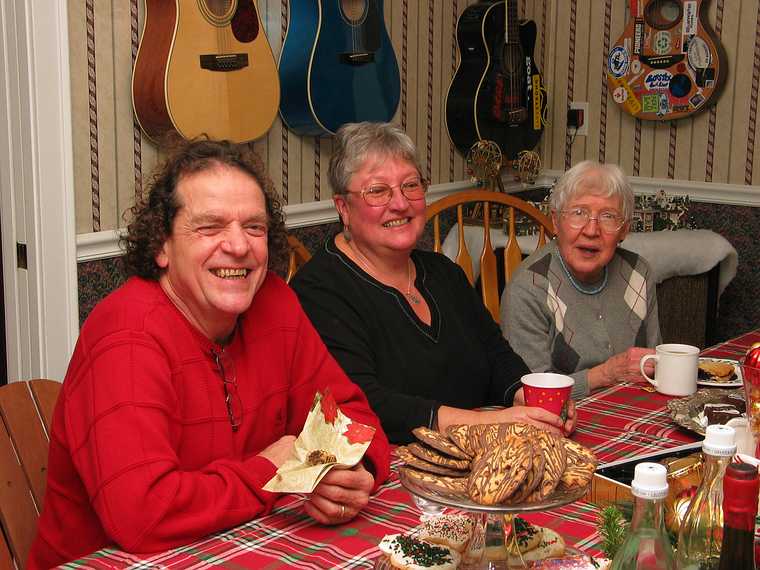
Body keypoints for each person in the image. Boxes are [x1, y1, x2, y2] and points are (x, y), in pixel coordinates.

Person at [29, 139, 390, 569]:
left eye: (254, 227)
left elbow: (354, 416)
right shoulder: (126, 335)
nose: (238, 246)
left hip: (237, 548)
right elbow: (143, 514)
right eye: (210, 227)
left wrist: (348, 471)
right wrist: (271, 470)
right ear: (162, 246)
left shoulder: (275, 303)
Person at [290, 122, 575, 444]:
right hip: (390, 470)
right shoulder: (318, 291)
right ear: (343, 207)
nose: (400, 203)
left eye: (410, 185)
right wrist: (488, 423)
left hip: (481, 453)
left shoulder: (443, 273)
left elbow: (496, 355)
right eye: (378, 191)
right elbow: (364, 404)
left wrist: (525, 397)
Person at [502, 160, 661, 399]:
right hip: (559, 423)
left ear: (624, 229)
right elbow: (531, 394)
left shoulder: (638, 272)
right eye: (578, 213)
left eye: (608, 216)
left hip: (632, 410)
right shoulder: (529, 288)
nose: (591, 230)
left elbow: (654, 364)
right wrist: (605, 375)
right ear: (555, 221)